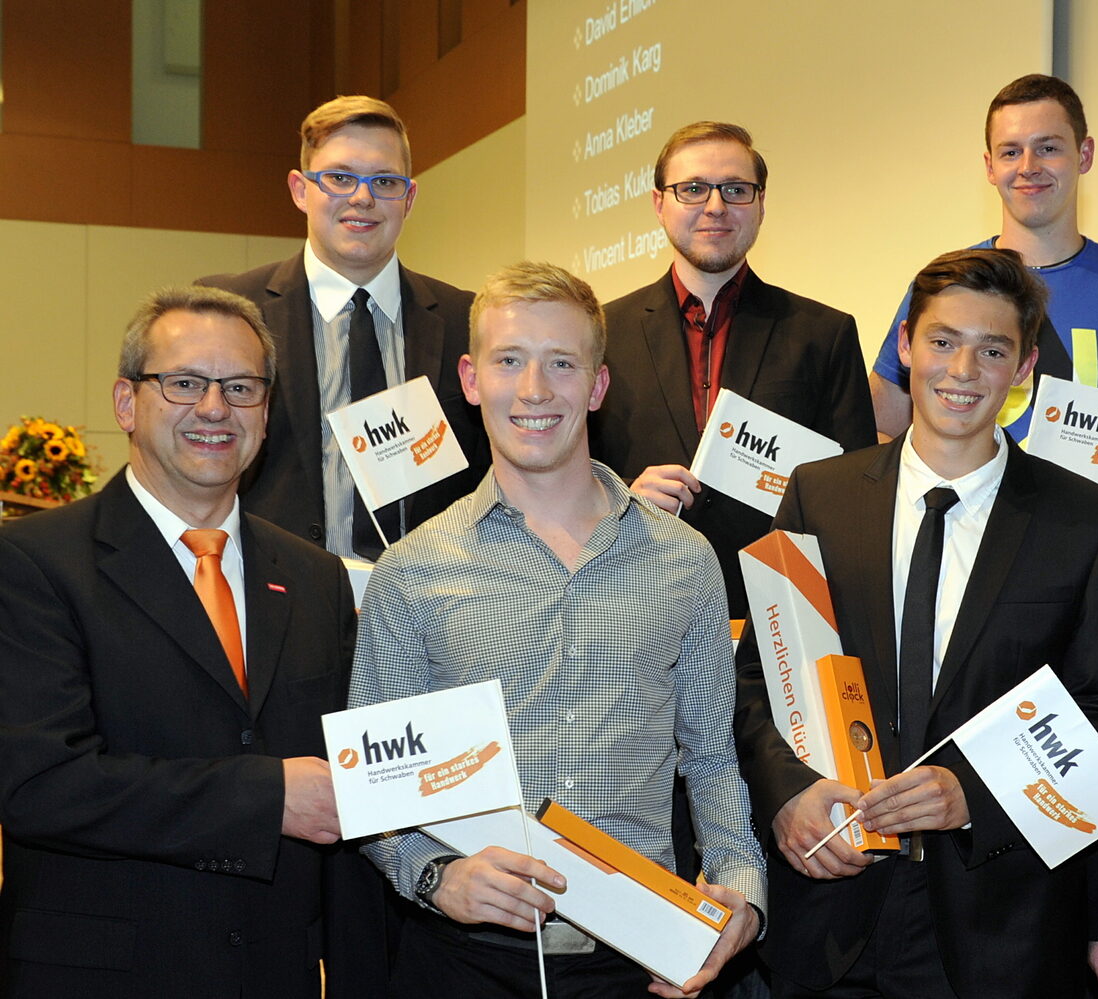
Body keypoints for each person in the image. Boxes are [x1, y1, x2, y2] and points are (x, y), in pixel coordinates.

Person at [350, 261, 766, 997]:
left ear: (598, 385)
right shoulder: (410, 573)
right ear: (471, 379)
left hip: (642, 959)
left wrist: (742, 889)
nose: (535, 390)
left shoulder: (683, 560)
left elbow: (712, 757)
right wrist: (433, 876)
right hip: (465, 960)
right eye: (510, 361)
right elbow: (380, 794)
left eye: (561, 364)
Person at [736, 248, 1098, 998]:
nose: (963, 369)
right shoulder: (820, 494)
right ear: (907, 342)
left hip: (999, 928)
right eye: (943, 341)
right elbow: (757, 677)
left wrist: (969, 793)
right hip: (830, 906)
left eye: (993, 349)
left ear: (1025, 368)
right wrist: (787, 792)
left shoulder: (1088, 520)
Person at [0, 287, 369, 997]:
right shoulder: (34, 562)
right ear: (125, 403)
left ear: (265, 411)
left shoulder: (316, 578)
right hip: (99, 976)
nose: (213, 408)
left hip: (274, 973)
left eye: (240, 387)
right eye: (183, 383)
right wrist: (267, 797)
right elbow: (39, 784)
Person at [591, 120, 876, 616]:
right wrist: (619, 502)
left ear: (761, 205)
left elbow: (858, 500)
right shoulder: (600, 334)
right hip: (631, 608)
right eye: (693, 189)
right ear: (659, 204)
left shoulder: (823, 334)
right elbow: (567, 476)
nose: (716, 206)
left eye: (736, 190)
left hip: (778, 618)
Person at [201, 95, 487, 559]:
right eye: (339, 177)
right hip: (275, 601)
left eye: (385, 181)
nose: (362, 197)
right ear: (300, 190)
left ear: (409, 198)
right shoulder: (231, 314)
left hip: (431, 611)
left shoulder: (467, 320)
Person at [868, 74, 1098, 444]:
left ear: (1085, 154)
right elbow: (880, 429)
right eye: (1011, 152)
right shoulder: (946, 287)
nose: (1028, 166)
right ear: (989, 166)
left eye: (1048, 148)